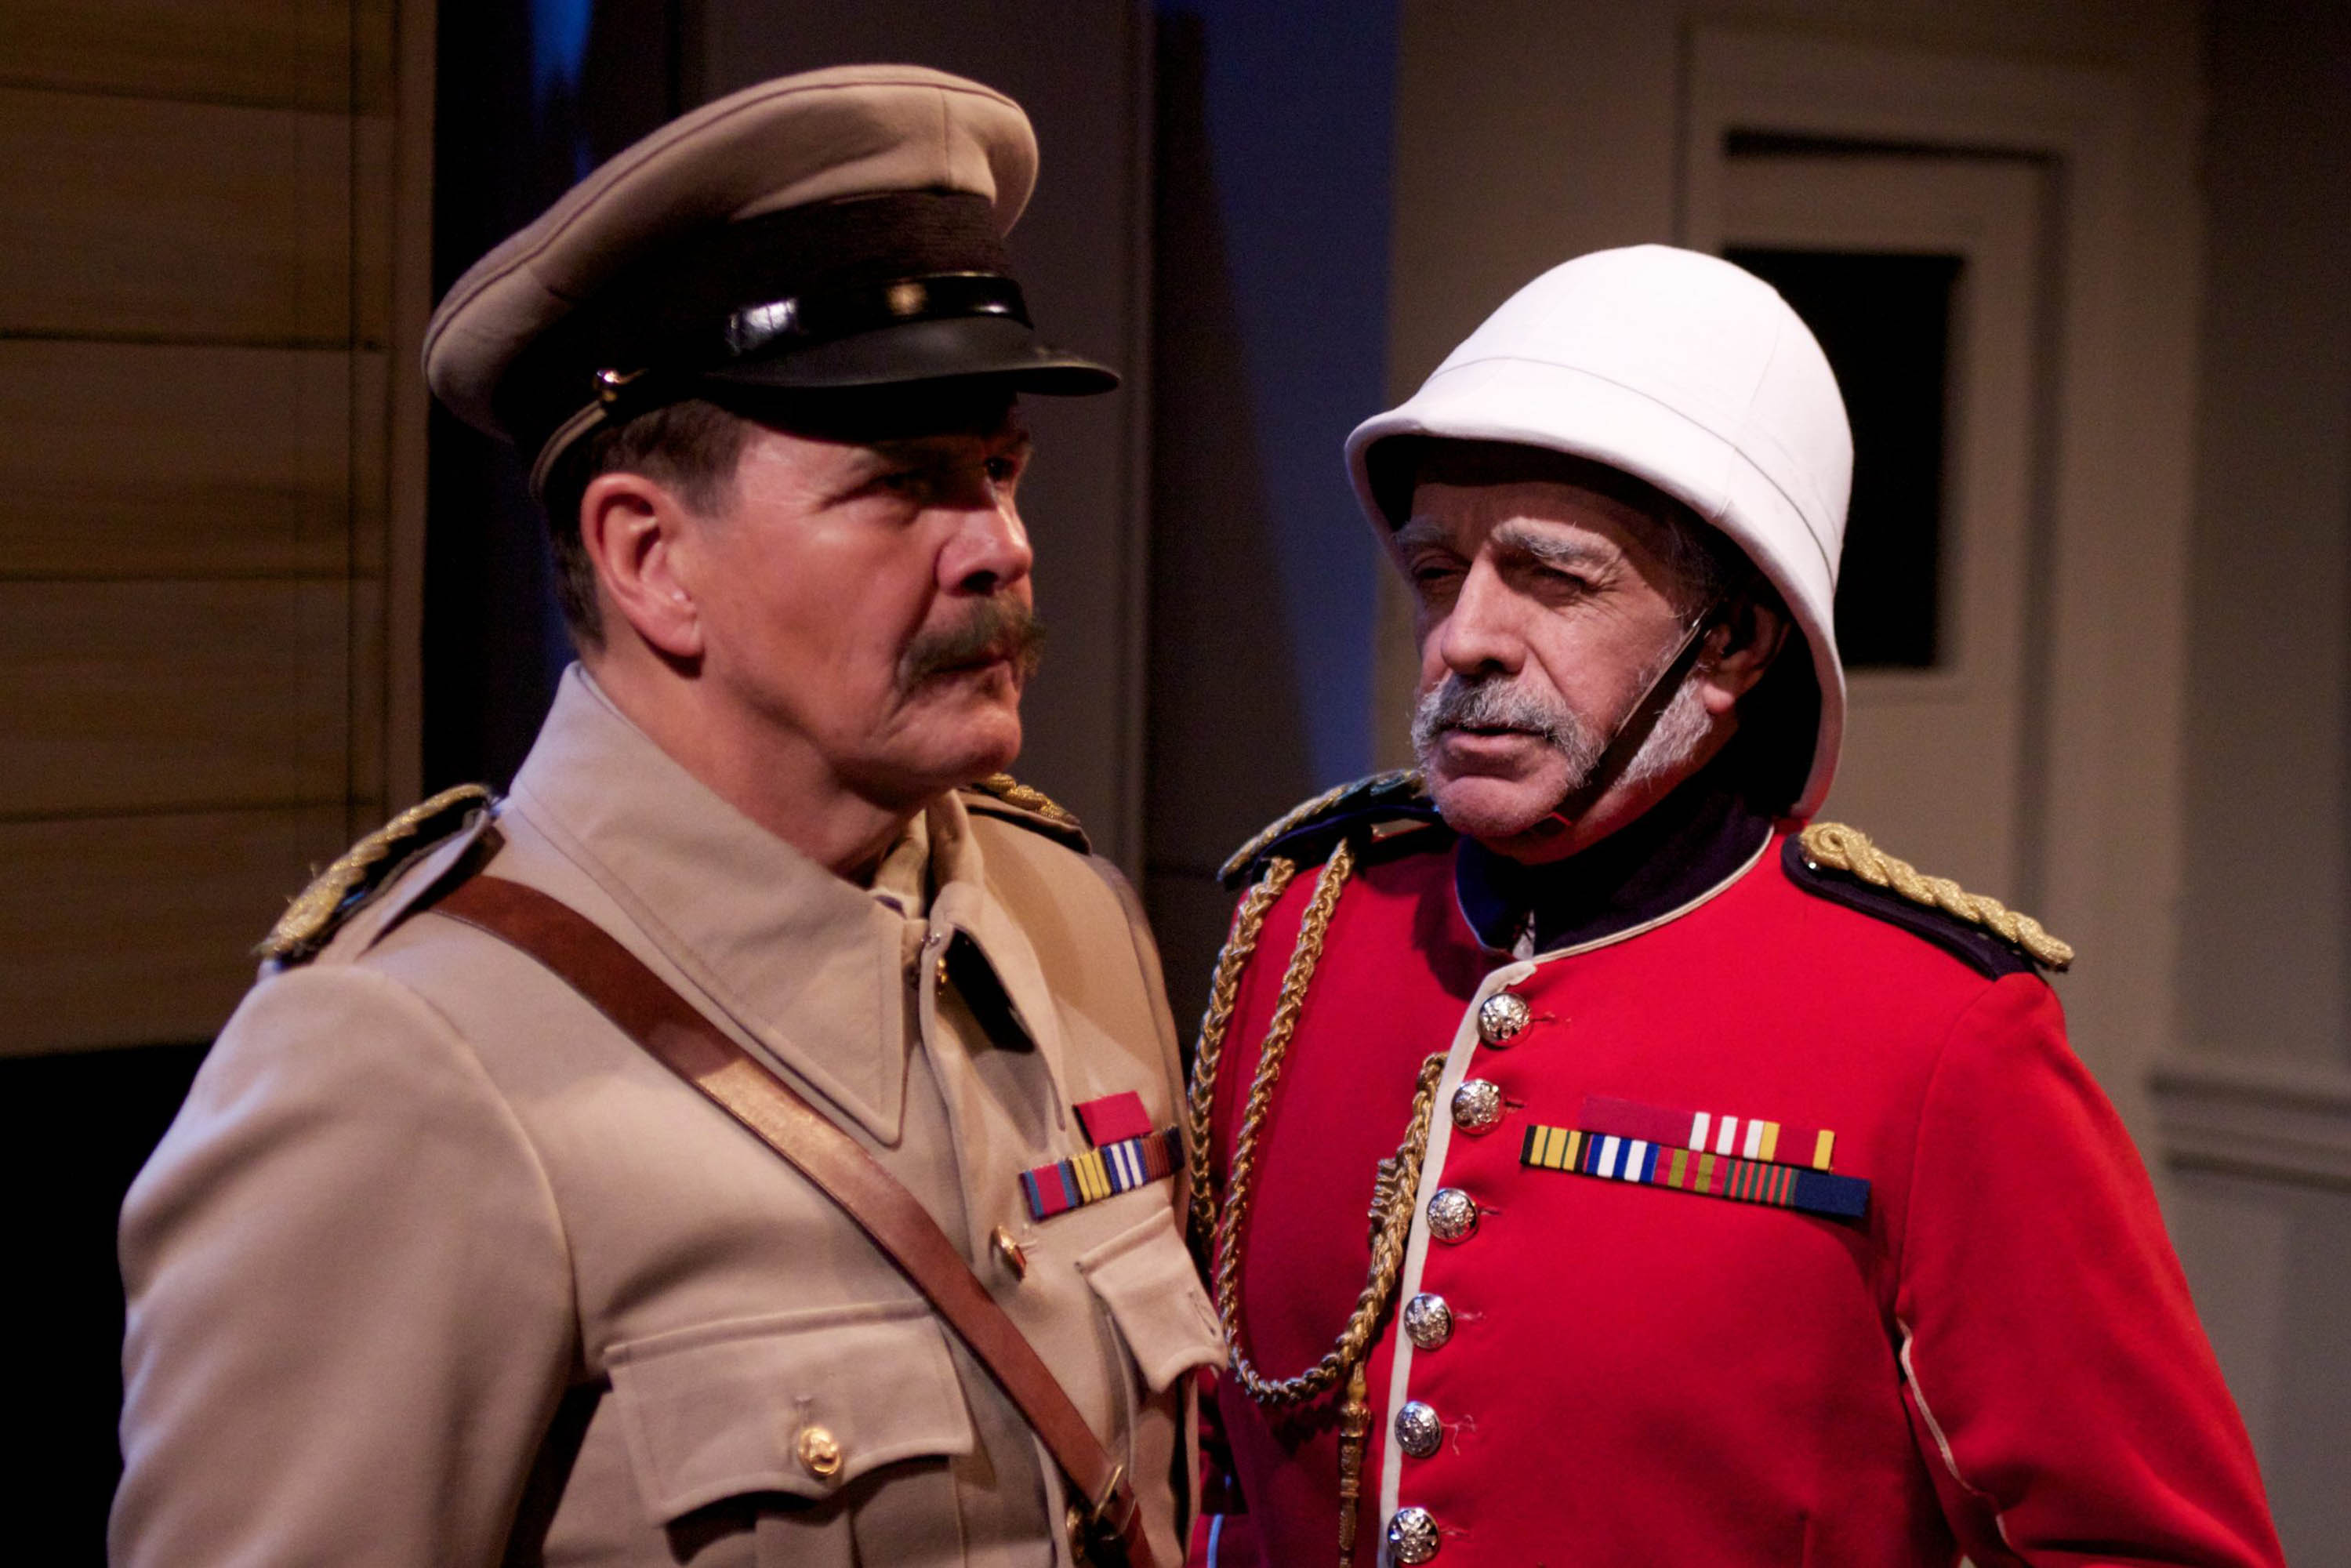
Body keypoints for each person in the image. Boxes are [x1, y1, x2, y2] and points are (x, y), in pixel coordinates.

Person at [114, 65, 1221, 1568]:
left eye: (1000, 470)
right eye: (905, 485)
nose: (1001, 547)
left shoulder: (1067, 920)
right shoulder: (402, 1066)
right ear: (649, 559)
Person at [1183, 245, 2282, 1566]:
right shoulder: (1304, 932)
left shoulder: (1937, 1037)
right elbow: (1213, 1461)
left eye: (1551, 578)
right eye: (1437, 572)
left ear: (1733, 645)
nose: (1464, 637)